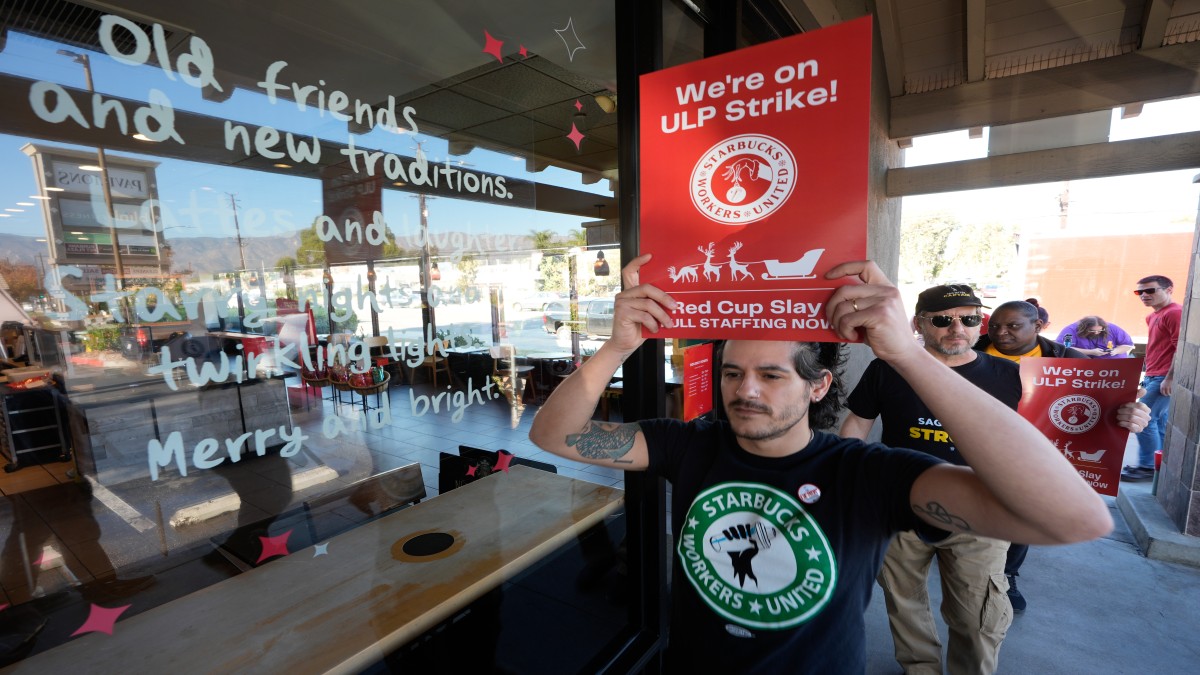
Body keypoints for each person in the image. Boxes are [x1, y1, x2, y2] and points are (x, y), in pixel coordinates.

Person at [529, 255, 1144, 673]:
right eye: (732, 373)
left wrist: (908, 355)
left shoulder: (869, 474)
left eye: (772, 375)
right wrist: (618, 345)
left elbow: (1075, 519)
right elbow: (554, 435)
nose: (746, 390)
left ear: (818, 385)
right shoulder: (689, 444)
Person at [841, 284, 1021, 673]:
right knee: (903, 602)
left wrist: (1123, 417)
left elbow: (1056, 432)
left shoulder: (1011, 376)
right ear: (918, 324)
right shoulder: (888, 368)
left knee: (979, 614)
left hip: (982, 512)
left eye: (969, 318)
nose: (957, 328)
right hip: (899, 508)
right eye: (942, 320)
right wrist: (851, 484)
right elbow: (857, 422)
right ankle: (921, 669)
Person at [972, 300, 1087, 614]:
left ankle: (1007, 574)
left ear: (1037, 326)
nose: (1001, 333)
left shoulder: (1068, 360)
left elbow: (1097, 404)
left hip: (1030, 452)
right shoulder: (971, 348)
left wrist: (1128, 412)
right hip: (972, 443)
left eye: (1013, 326)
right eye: (995, 326)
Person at [1122, 275, 1182, 482]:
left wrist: (1170, 378)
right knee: (1159, 423)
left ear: (1169, 290)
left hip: (1164, 377)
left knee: (1143, 420)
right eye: (1139, 292)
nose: (1144, 295)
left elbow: (1181, 348)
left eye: (1150, 290)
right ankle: (1159, 467)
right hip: (1153, 376)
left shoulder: (1175, 312)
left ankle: (1148, 467)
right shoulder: (1152, 316)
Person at [1057, 316, 1135, 359]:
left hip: (1112, 366)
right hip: (1082, 365)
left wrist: (1115, 351)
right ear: (1083, 328)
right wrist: (1091, 352)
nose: (1096, 333)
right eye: (1092, 331)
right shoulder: (1070, 331)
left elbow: (1128, 345)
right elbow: (1065, 348)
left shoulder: (1113, 329)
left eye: (1100, 330)